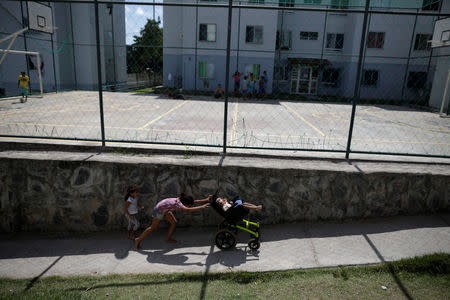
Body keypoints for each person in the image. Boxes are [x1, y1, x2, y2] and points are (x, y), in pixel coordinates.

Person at [135, 193, 210, 248]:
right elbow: (188, 210)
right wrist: (202, 207)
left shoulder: (181, 199)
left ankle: (168, 239)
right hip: (159, 210)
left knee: (174, 223)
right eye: (189, 204)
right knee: (153, 228)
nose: (190, 205)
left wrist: (206, 200)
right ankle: (138, 239)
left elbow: (193, 202)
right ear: (185, 203)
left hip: (165, 209)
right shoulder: (179, 204)